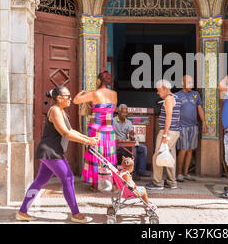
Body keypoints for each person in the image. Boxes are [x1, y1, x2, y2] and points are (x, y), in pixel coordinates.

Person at [15, 86, 99, 223]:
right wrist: (87, 140)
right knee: (68, 178)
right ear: (59, 98)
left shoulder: (61, 111)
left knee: (40, 181)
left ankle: (22, 212)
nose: (70, 98)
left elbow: (71, 130)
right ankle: (76, 214)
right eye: (68, 96)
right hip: (50, 151)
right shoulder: (54, 110)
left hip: (51, 151)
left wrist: (87, 139)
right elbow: (66, 134)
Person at [73, 70, 118, 190]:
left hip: (95, 130)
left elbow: (76, 100)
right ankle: (111, 183)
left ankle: (95, 183)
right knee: (109, 155)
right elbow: (112, 111)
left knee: (95, 155)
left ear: (99, 80)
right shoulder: (114, 94)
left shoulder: (94, 94)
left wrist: (82, 92)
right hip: (109, 130)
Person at [146, 79, 182, 190]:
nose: (158, 93)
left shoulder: (169, 99)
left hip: (168, 131)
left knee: (158, 155)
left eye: (159, 90)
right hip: (175, 131)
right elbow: (178, 117)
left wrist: (165, 134)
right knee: (170, 155)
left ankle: (157, 183)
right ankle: (172, 182)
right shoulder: (177, 98)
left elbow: (169, 117)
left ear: (165, 89)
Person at [175, 75, 207, 182]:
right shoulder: (177, 95)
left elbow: (200, 108)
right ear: (182, 82)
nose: (191, 84)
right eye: (188, 82)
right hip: (182, 126)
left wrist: (204, 122)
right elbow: (175, 111)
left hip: (193, 126)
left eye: (192, 82)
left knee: (190, 150)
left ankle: (186, 173)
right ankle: (179, 173)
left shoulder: (196, 94)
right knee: (183, 149)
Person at [114, 104, 150, 178]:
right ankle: (133, 172)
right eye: (123, 112)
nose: (125, 114)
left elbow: (130, 136)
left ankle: (141, 171)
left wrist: (132, 136)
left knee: (143, 148)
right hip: (117, 145)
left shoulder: (128, 122)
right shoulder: (113, 121)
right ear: (118, 111)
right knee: (134, 151)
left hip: (127, 144)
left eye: (126, 113)